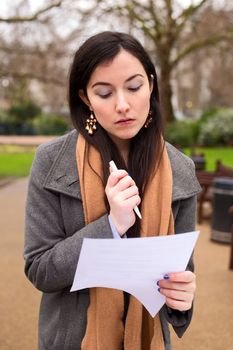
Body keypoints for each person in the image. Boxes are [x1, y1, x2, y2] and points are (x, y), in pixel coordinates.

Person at [24, 31, 201, 350]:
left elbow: (181, 275)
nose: (123, 105)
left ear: (150, 85)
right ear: (84, 98)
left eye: (134, 87)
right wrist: (111, 226)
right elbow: (40, 270)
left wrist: (183, 299)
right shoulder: (51, 161)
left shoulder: (180, 169)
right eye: (104, 93)